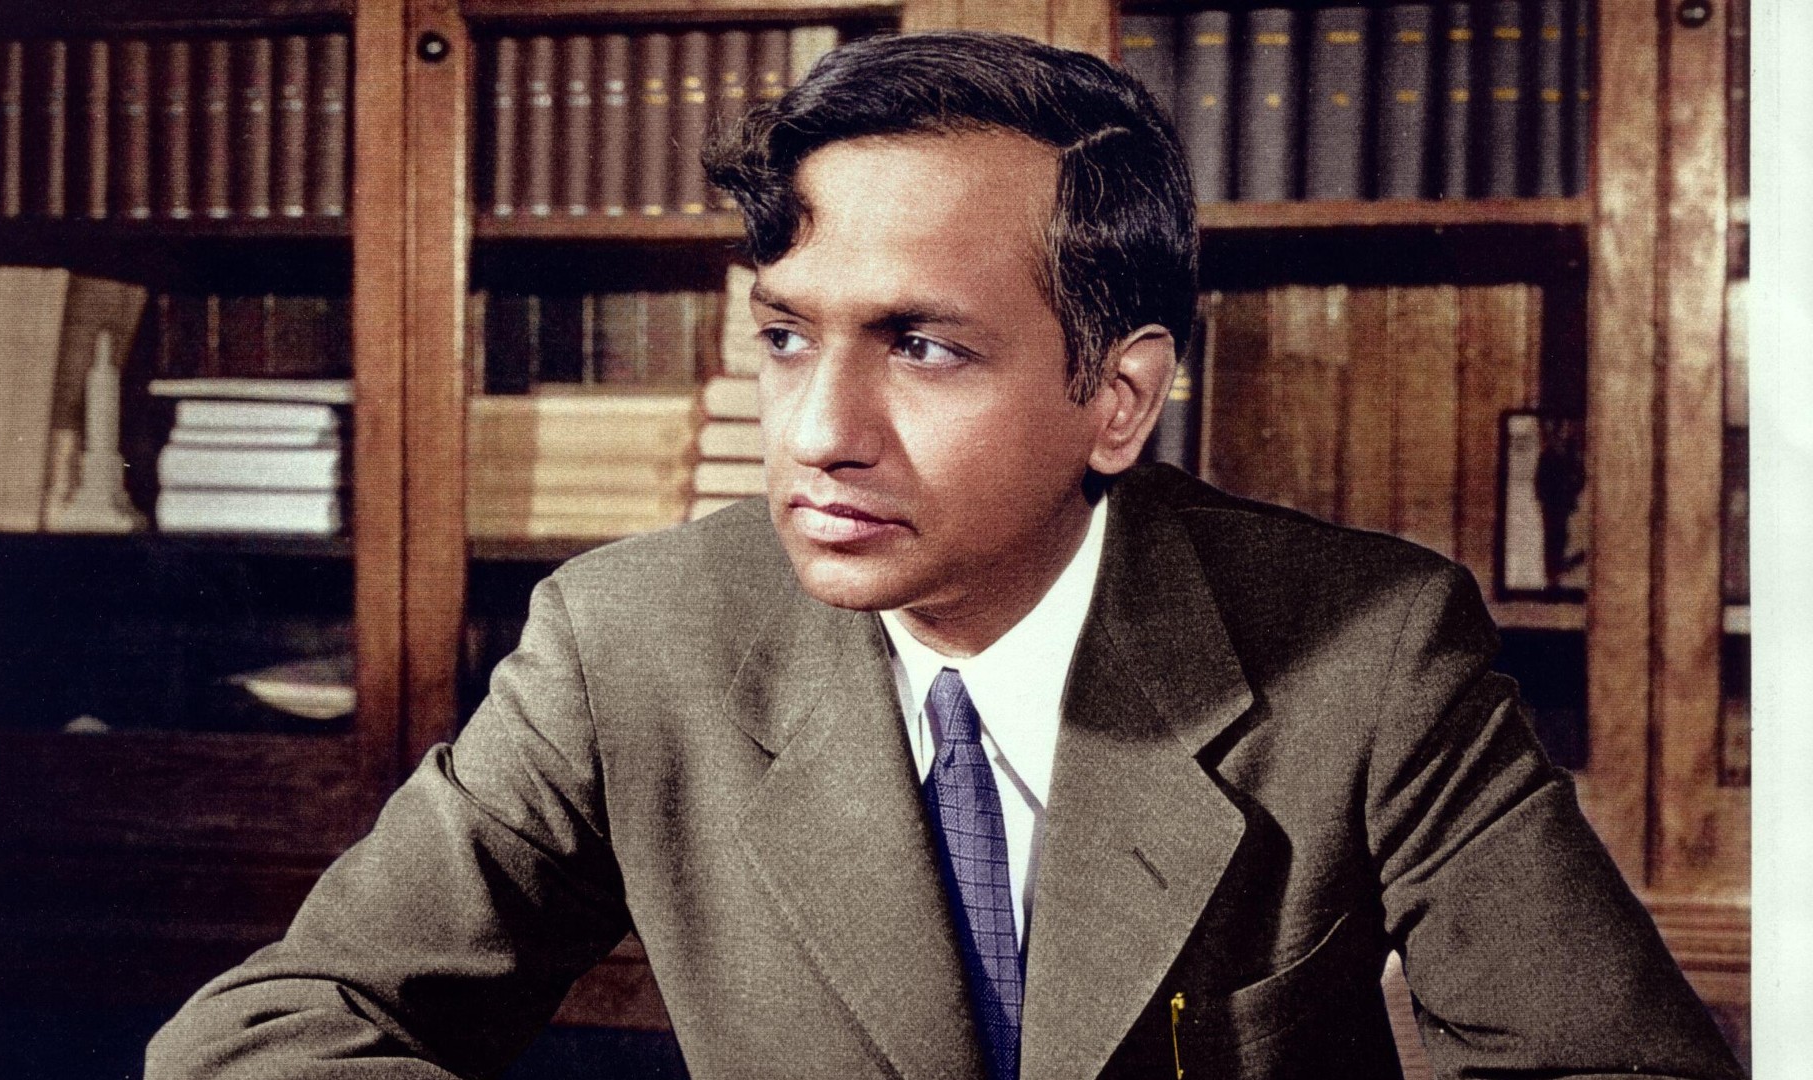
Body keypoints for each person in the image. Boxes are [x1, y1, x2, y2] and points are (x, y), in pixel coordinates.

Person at [148, 31, 1742, 1080]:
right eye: (784, 338)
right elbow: (277, 1027)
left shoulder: (1370, 649)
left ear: (1115, 399)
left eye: (922, 347)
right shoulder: (629, 639)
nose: (817, 431)